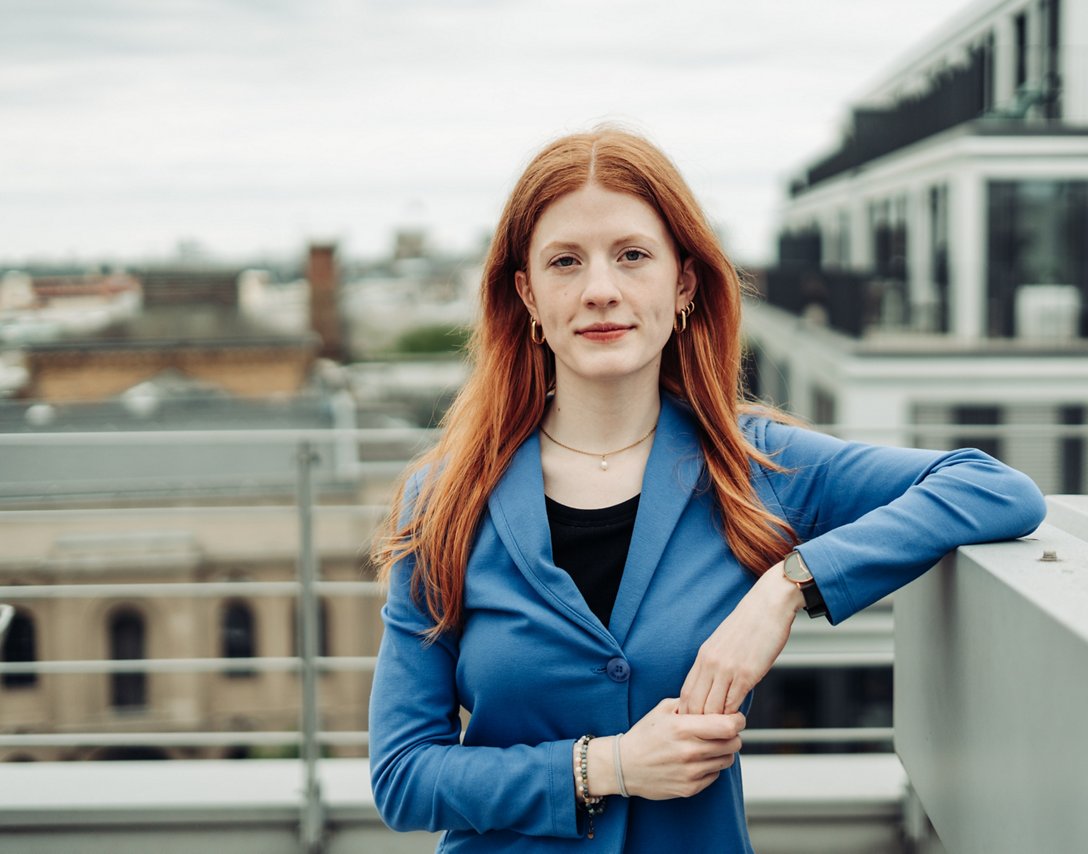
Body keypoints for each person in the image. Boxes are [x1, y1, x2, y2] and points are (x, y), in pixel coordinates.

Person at [368, 127, 1046, 852]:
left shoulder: (758, 465)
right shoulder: (447, 500)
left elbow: (993, 489)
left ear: (684, 282)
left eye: (633, 256)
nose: (601, 290)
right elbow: (404, 777)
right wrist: (606, 767)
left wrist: (789, 586)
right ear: (529, 296)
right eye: (567, 262)